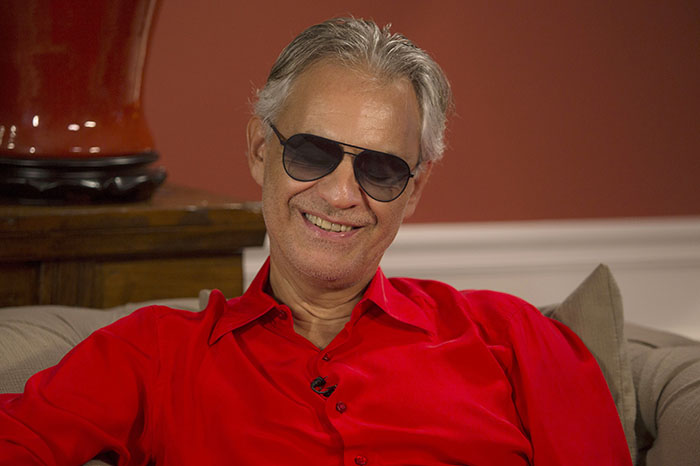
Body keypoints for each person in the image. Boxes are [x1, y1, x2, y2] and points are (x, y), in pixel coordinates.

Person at [1, 17, 631, 465]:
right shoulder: (151, 356)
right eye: (310, 153)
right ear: (260, 150)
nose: (340, 194)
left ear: (413, 190)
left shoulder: (515, 341)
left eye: (381, 169)